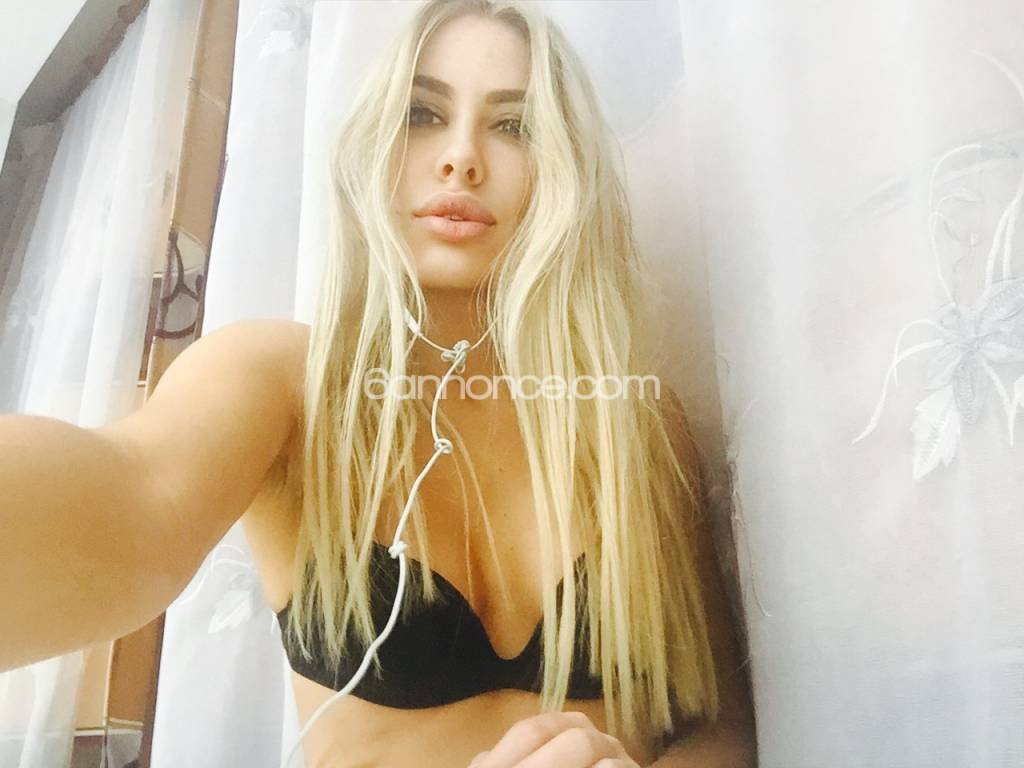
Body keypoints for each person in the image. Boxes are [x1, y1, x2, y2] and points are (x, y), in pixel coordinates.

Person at [0, 1, 756, 765]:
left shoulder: (636, 422)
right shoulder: (286, 383)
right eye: (423, 114)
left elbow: (719, 722)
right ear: (371, 145)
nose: (461, 158)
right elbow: (129, 500)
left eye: (513, 126)